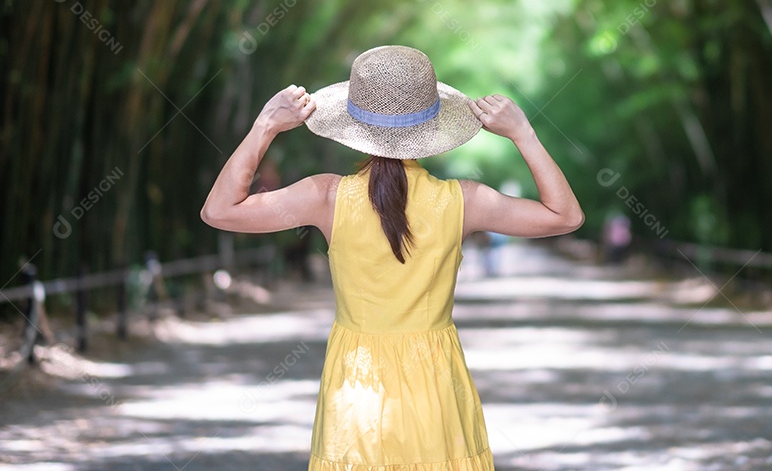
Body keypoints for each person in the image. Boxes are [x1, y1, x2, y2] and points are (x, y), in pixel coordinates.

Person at [200, 45, 584, 471]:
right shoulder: (464, 202)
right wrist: (523, 135)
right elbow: (565, 216)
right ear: (432, 125)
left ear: (354, 121)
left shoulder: (326, 197)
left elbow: (218, 211)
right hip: (438, 388)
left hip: (355, 387)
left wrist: (265, 125)